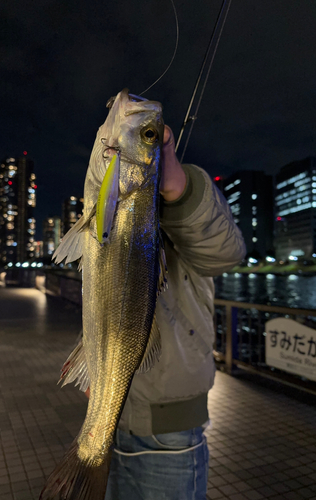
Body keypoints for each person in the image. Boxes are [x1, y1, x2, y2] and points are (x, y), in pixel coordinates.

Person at [100, 124, 246, 500]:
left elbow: (227, 251)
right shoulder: (108, 213)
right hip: (113, 417)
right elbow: (108, 302)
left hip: (172, 434)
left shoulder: (189, 206)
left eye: (149, 136)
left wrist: (179, 185)